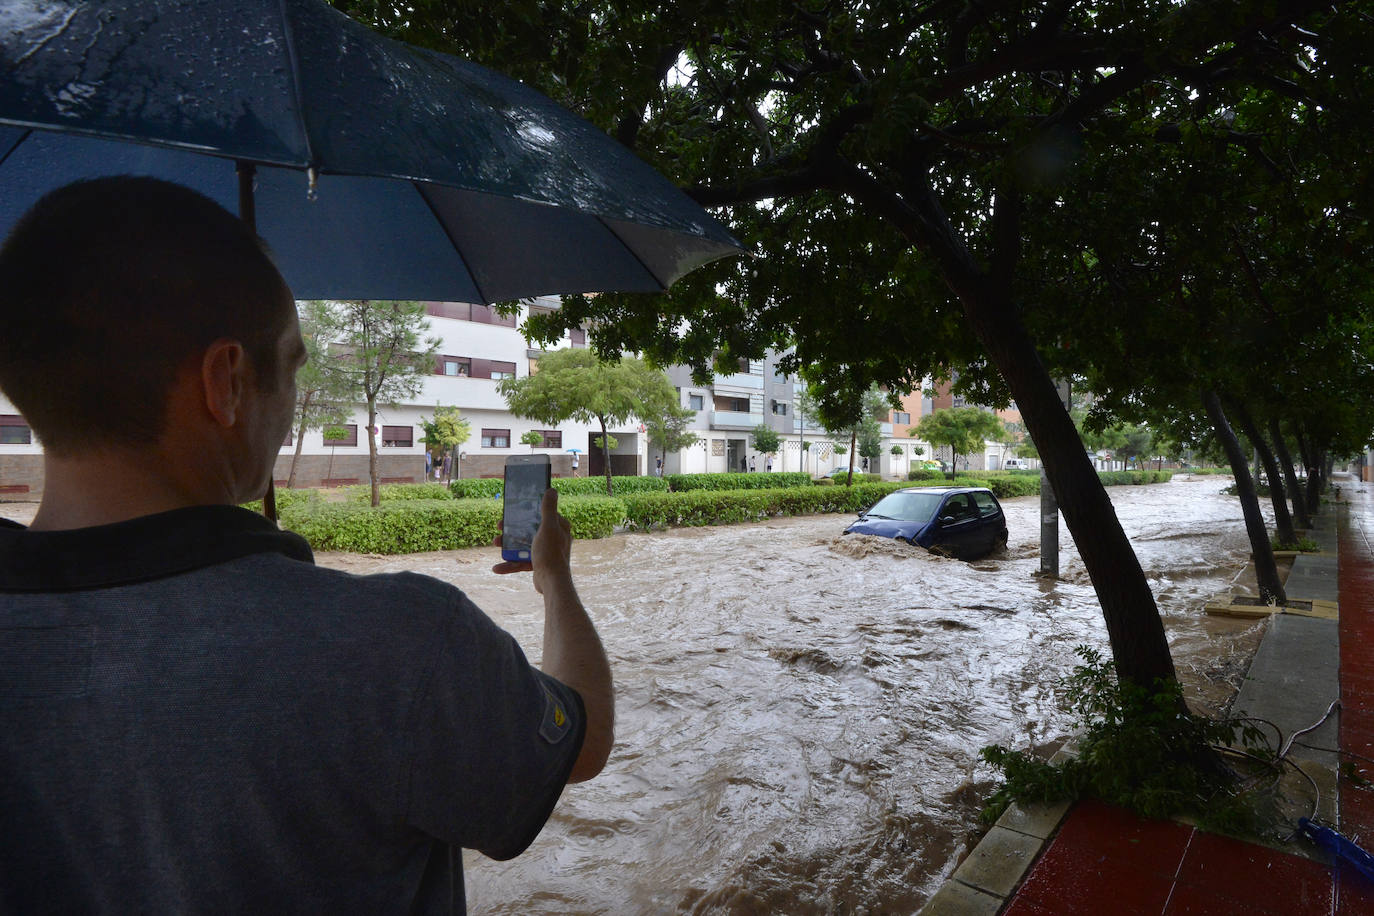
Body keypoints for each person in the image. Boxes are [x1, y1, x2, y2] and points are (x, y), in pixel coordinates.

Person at [0, 177, 613, 914]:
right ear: (226, 382)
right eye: (290, 367)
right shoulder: (401, 644)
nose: (290, 403)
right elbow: (583, 736)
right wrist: (555, 580)